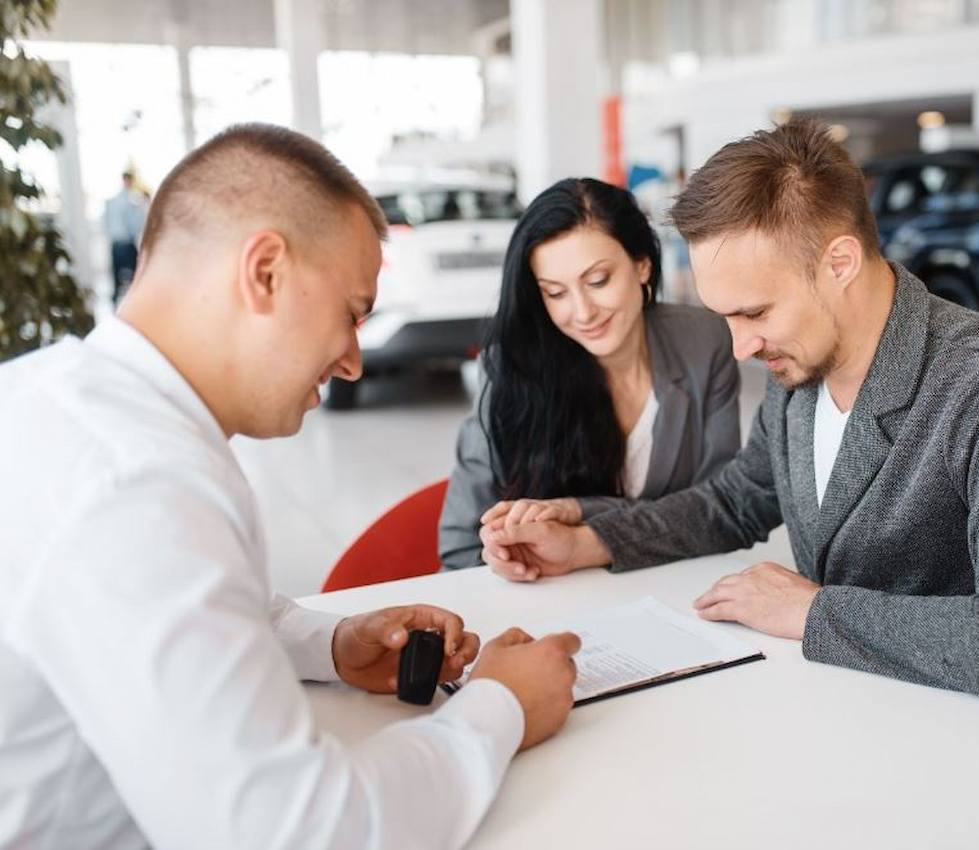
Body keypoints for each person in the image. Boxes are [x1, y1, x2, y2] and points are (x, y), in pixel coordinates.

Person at [0, 124, 581, 850]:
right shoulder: (135, 486)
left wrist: (333, 644)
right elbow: (300, 833)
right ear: (266, 271)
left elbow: (190, 609)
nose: (352, 363)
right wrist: (501, 706)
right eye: (351, 313)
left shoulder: (53, 399)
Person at [477, 120, 979, 713]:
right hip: (869, 711)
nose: (739, 348)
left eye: (754, 313)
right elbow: (736, 501)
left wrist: (812, 613)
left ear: (839, 263)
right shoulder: (801, 368)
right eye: (724, 317)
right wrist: (587, 540)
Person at [438, 178, 740, 568]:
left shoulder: (703, 341)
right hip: (542, 600)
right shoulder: (510, 367)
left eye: (597, 281)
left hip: (671, 592)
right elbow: (461, 546)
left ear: (642, 265)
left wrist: (580, 514)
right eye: (555, 293)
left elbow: (720, 509)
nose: (582, 313)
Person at [103, 168, 148, 303]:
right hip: (122, 243)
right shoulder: (128, 201)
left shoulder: (130, 200)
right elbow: (137, 224)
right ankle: (128, 300)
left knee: (129, 276)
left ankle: (128, 300)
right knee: (128, 276)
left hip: (123, 243)